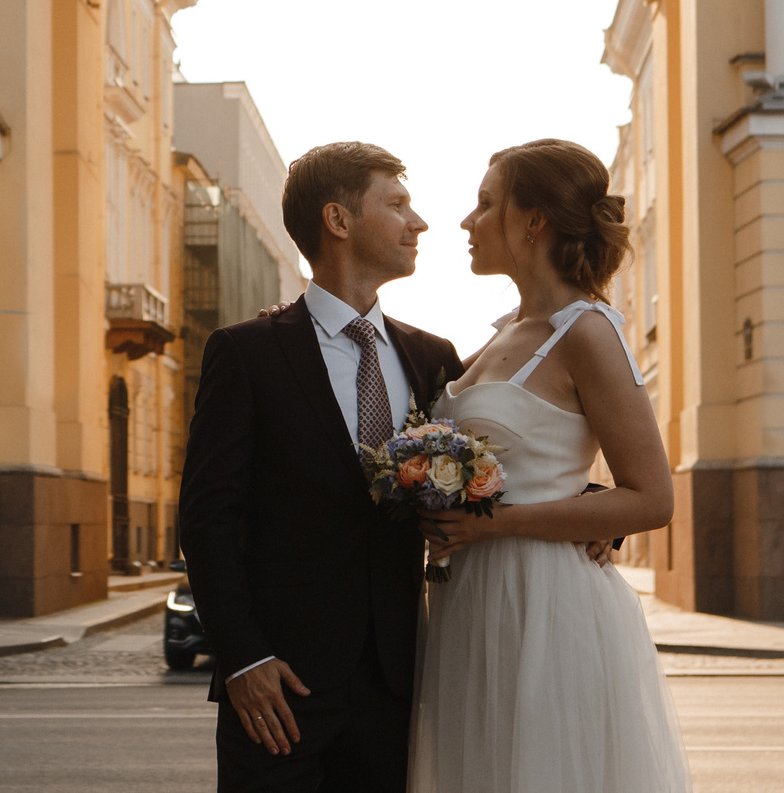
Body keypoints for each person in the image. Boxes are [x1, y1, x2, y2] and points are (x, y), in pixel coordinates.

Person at [177, 142, 461, 790]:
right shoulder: (246, 353)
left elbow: (495, 465)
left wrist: (592, 513)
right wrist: (242, 656)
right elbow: (207, 518)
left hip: (398, 683)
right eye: (397, 204)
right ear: (338, 219)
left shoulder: (433, 356)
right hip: (278, 686)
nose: (417, 223)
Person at [409, 139, 689, 793]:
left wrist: (496, 525)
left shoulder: (587, 331)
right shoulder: (504, 331)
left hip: (541, 597)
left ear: (533, 220)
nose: (466, 221)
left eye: (485, 204)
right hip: (469, 593)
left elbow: (652, 497)